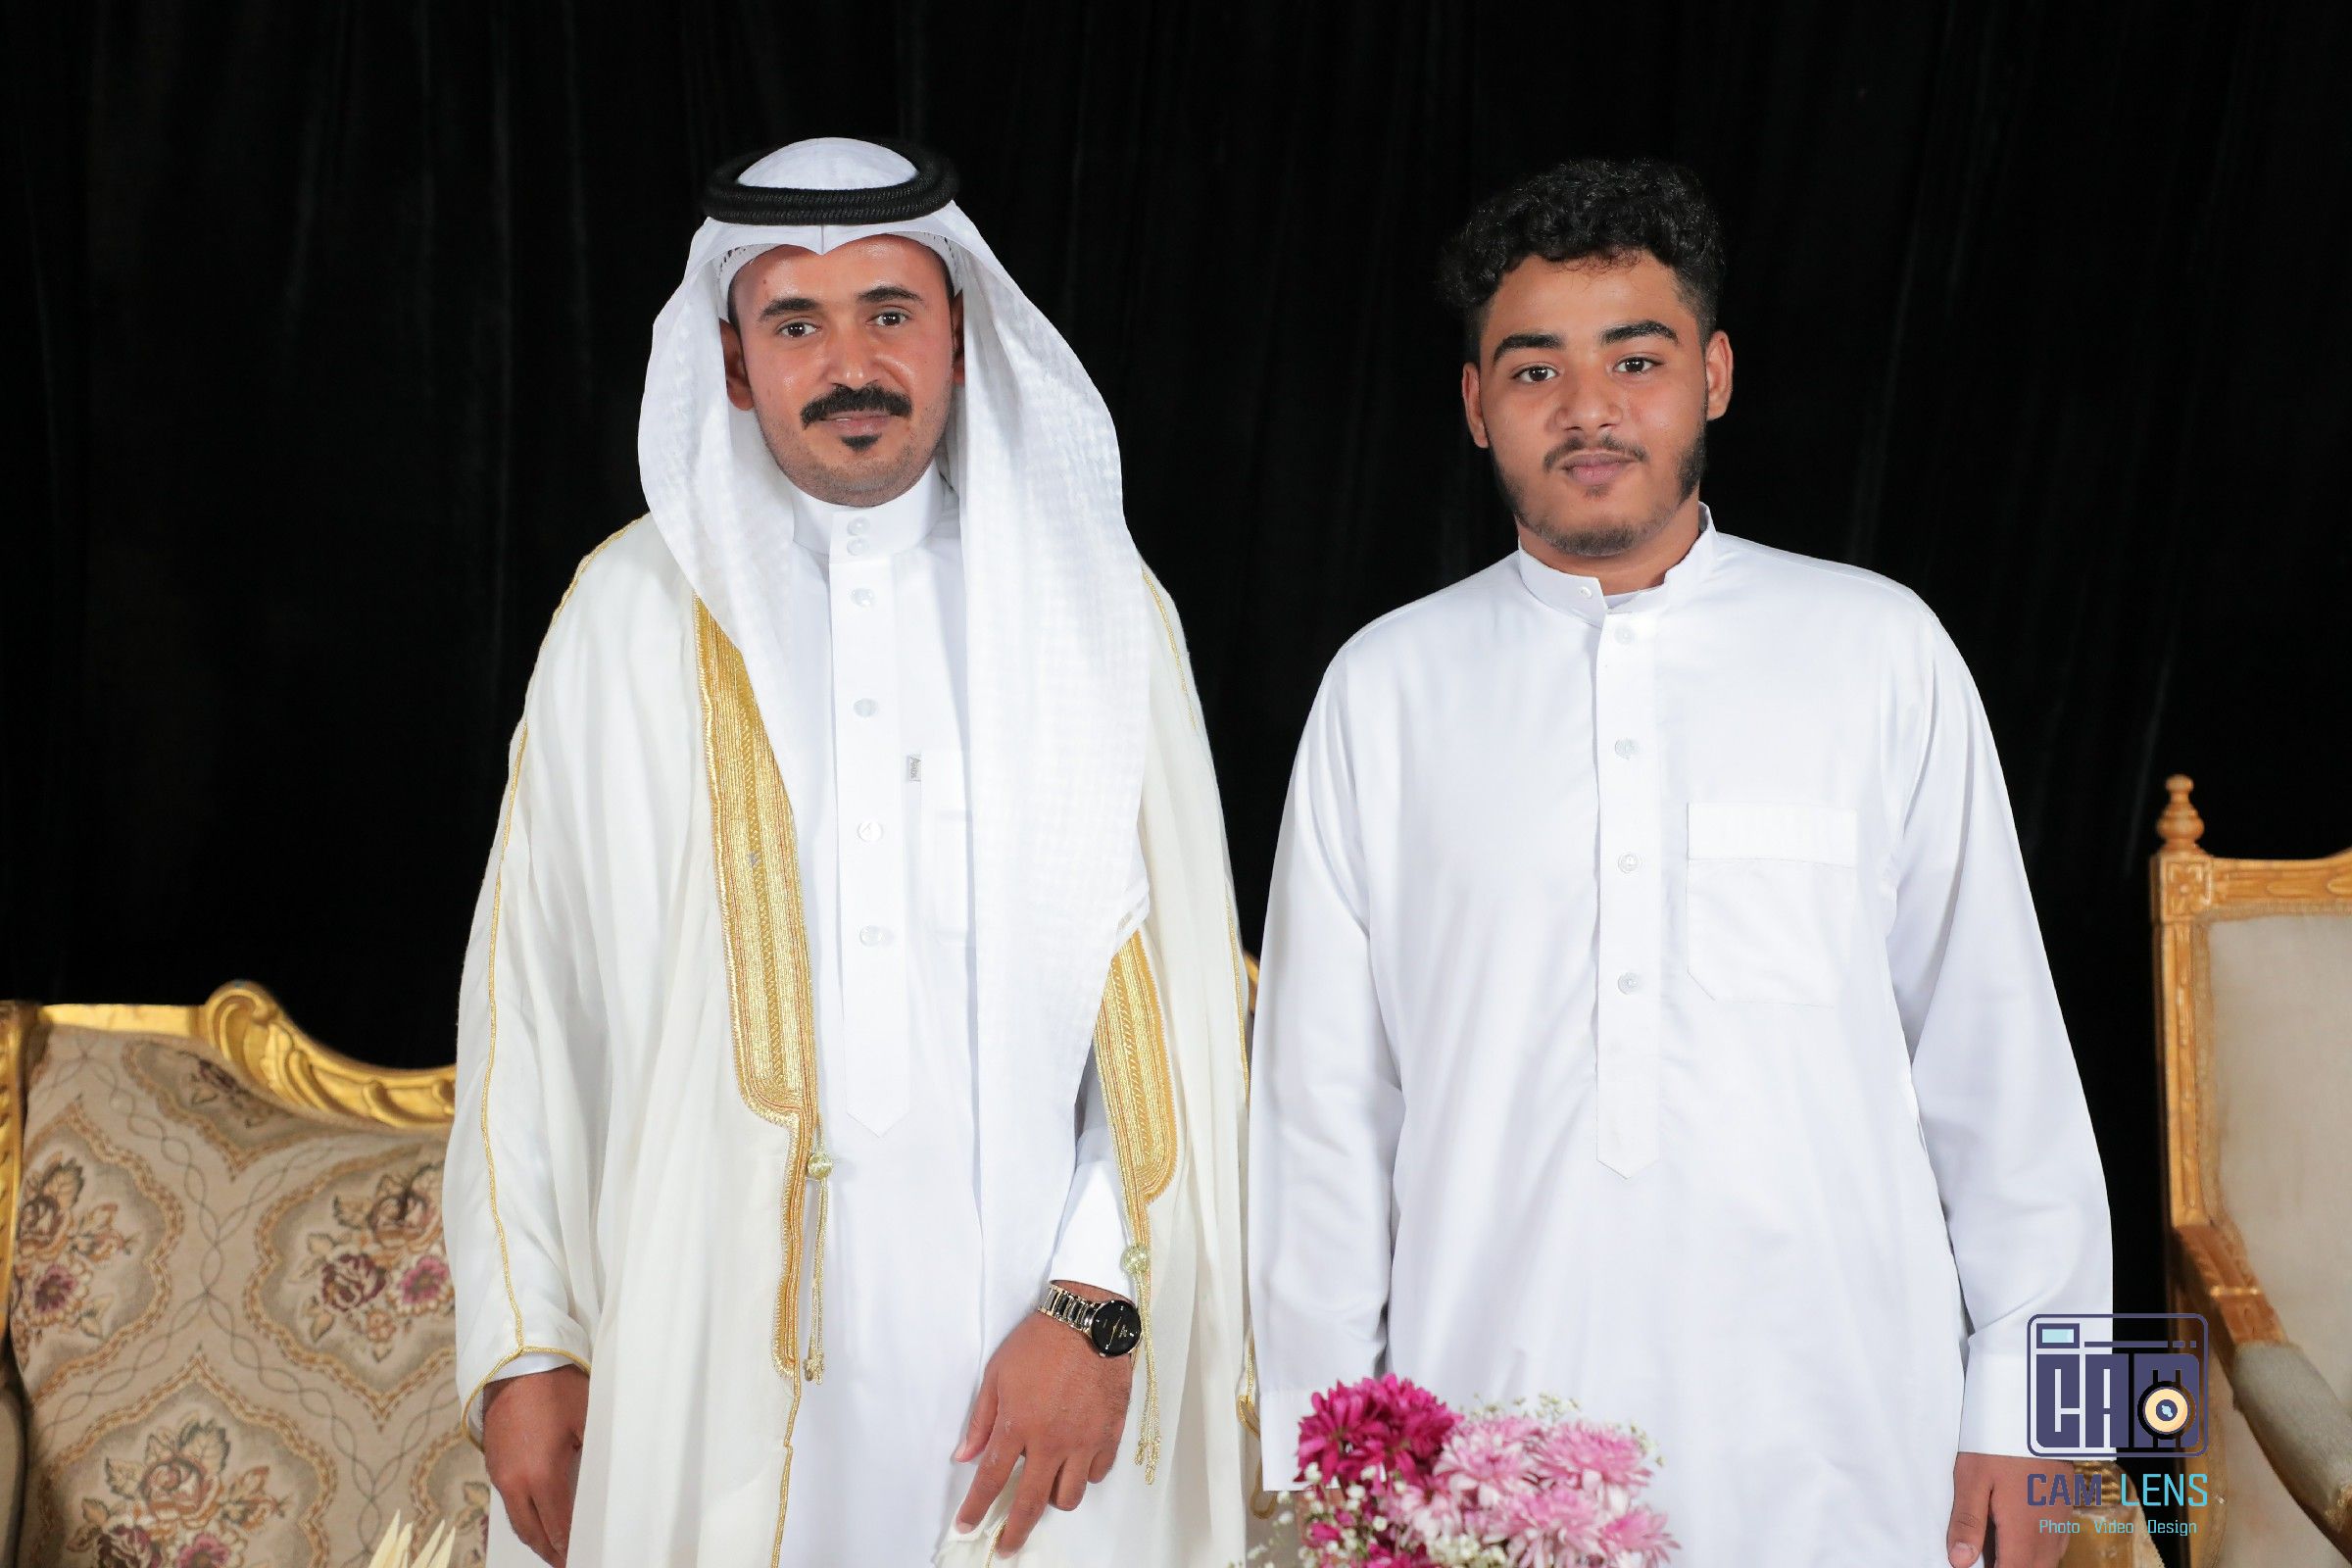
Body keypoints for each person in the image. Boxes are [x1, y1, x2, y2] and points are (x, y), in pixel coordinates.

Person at [1246, 158, 2110, 1567]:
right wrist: (1334, 1482)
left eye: (1635, 360)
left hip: (1854, 1446)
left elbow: (2004, 1068)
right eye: (1535, 370)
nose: (1587, 409)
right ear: (1475, 405)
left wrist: (2044, 1418)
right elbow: (1322, 1123)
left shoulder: (1878, 650)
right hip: (1487, 1457)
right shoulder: (1385, 691)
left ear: (1713, 376)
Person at [445, 136, 1254, 1567]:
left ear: (960, 334)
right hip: (704, 1357)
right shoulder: (629, 618)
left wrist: (1097, 1307)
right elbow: (528, 1005)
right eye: (796, 324)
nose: (851, 365)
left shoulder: (1090, 610)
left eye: (890, 312)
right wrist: (527, 1348)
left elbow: (1163, 1016)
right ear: (733, 361)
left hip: (1037, 1371)